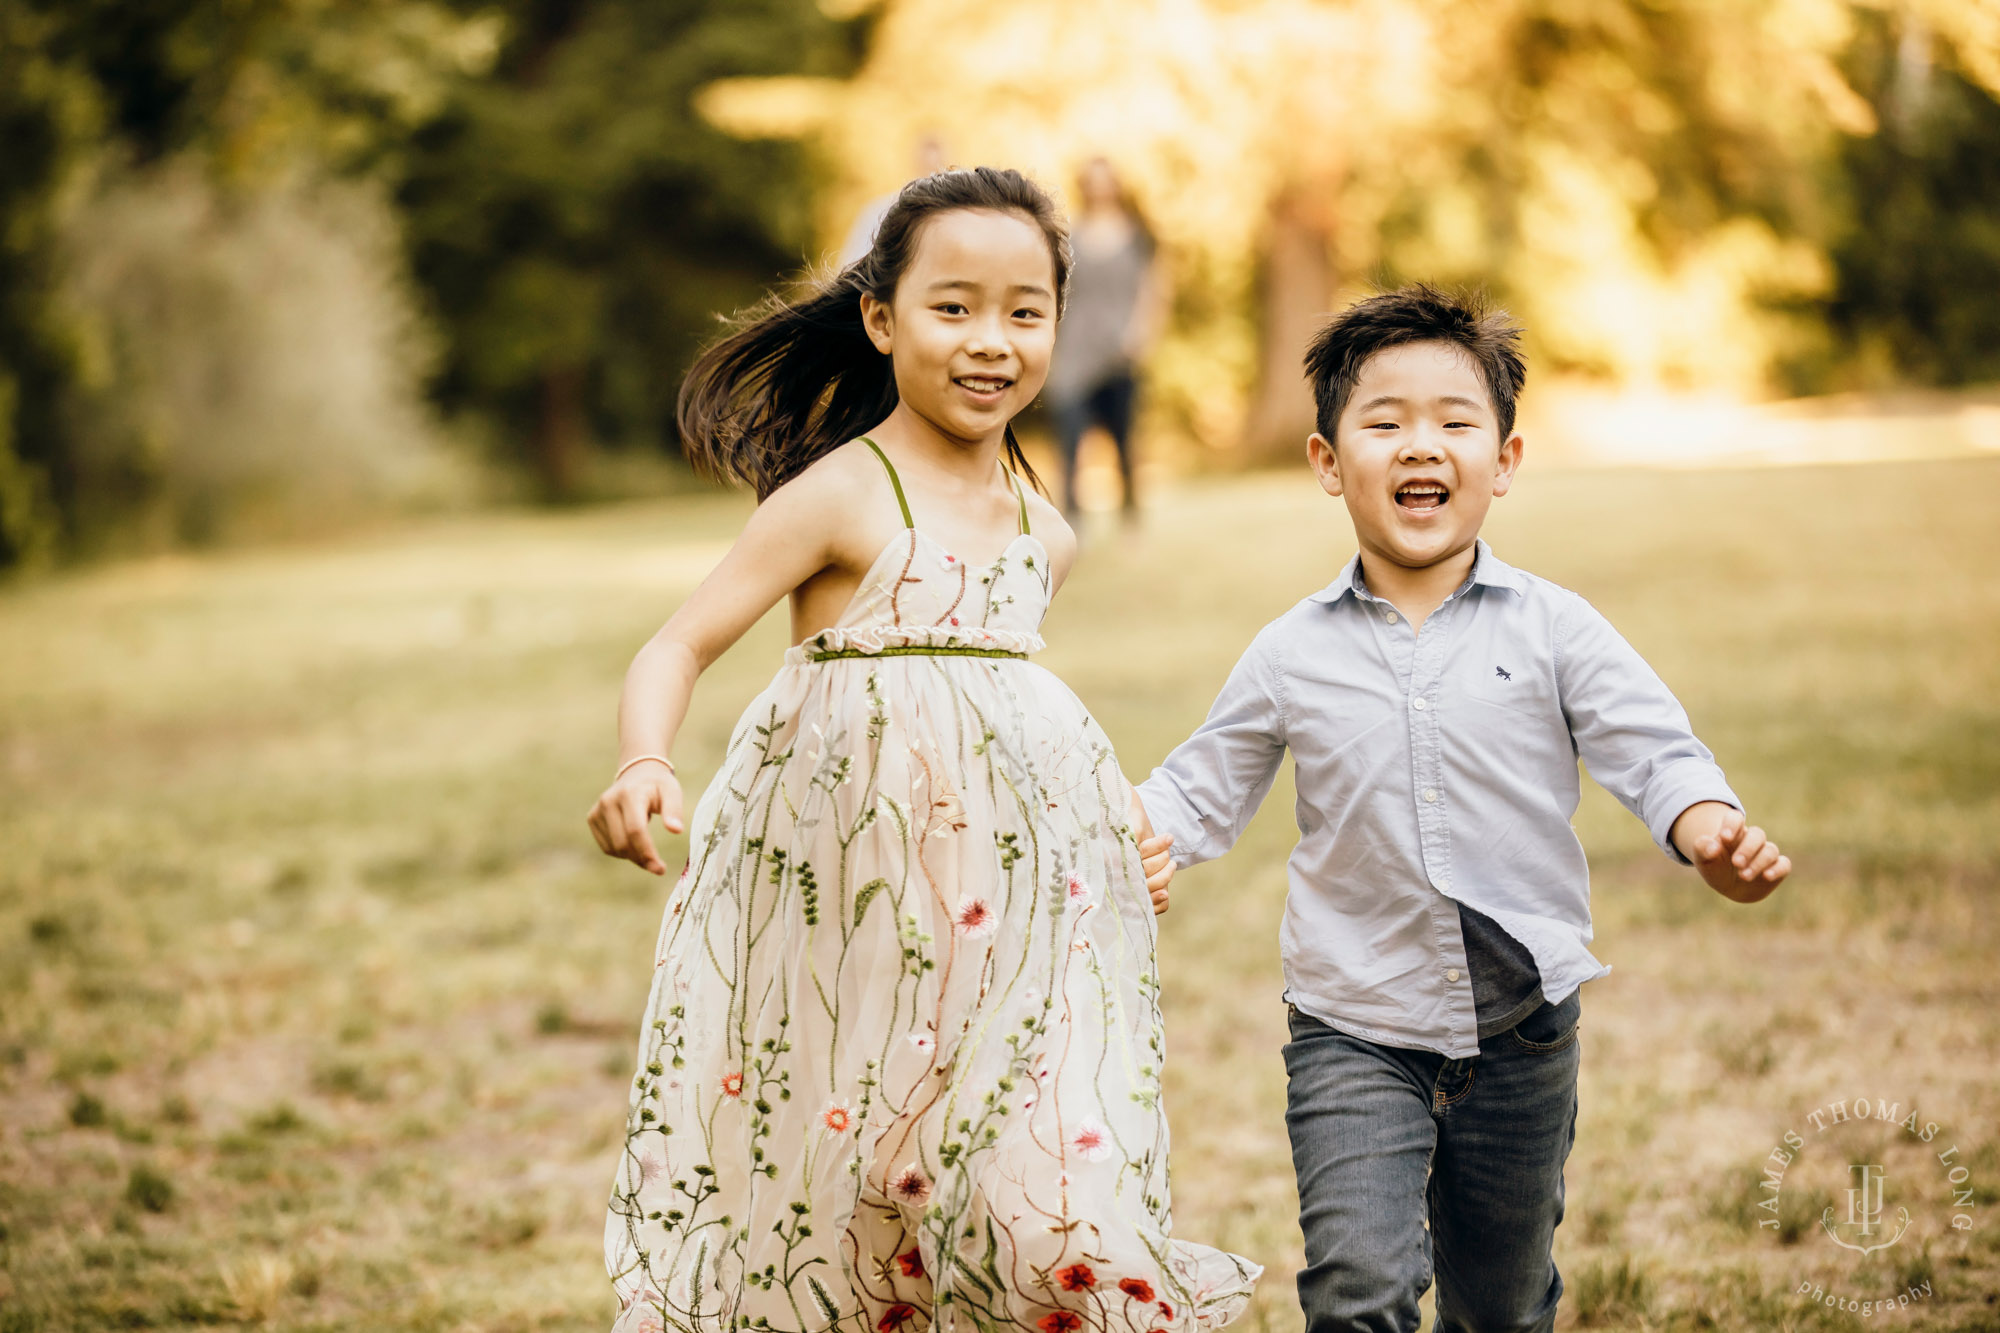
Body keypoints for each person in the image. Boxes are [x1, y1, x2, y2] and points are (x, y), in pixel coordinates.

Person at [586, 167, 1260, 1333]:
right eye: (952, 307)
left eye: (1024, 310)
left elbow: (1016, 740)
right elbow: (676, 644)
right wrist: (645, 760)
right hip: (852, 918)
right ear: (880, 317)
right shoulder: (839, 495)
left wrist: (1112, 847)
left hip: (1011, 944)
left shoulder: (1045, 535)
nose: (990, 340)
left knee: (1036, 1209)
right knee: (863, 1206)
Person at [1135, 285, 1792, 1333]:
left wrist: (1704, 827)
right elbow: (1194, 785)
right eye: (1383, 422)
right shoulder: (1289, 652)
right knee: (1357, 1290)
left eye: (1452, 421)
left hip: (1522, 1028)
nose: (1418, 446)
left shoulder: (1554, 628)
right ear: (1324, 461)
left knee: (1497, 1304)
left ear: (1504, 461)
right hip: (1352, 1028)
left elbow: (1649, 744)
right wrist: (1130, 834)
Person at [1044, 158, 1165, 519]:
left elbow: (1153, 288)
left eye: (1105, 180)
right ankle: (1071, 517)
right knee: (1069, 434)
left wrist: (1142, 334)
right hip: (1075, 348)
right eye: (1092, 181)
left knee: (1123, 437)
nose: (1099, 188)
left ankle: (1130, 511)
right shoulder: (1071, 234)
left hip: (1118, 348)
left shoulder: (1136, 234)